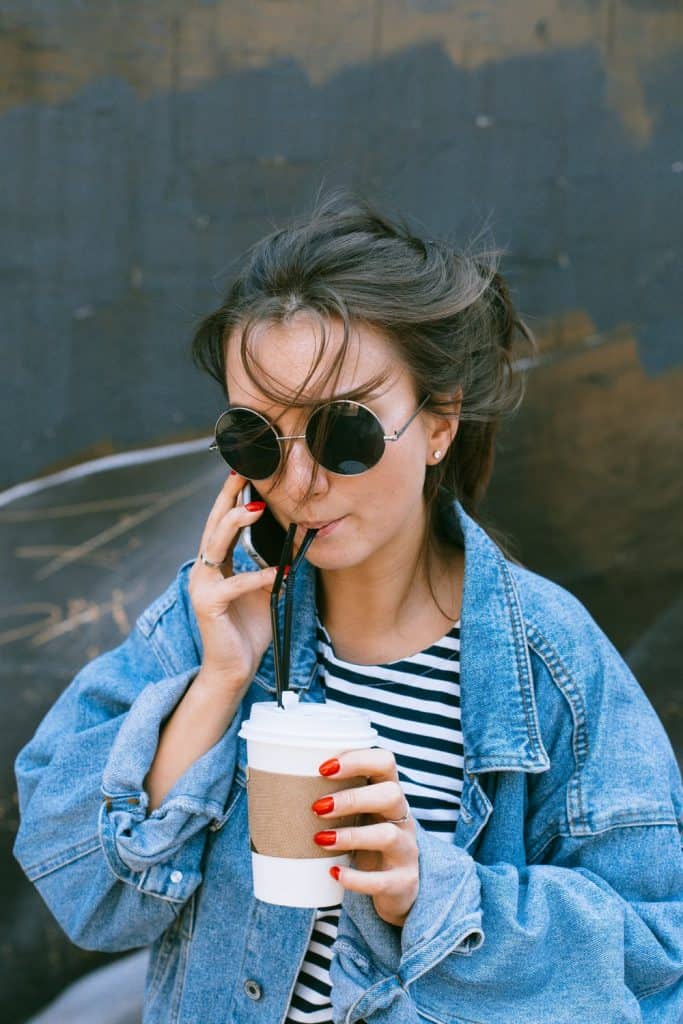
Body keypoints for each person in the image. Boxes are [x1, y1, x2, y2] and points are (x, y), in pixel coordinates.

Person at [14, 191, 683, 1024]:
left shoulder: (548, 663)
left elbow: (658, 953)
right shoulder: (208, 621)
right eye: (256, 438)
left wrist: (430, 892)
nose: (297, 483)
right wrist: (219, 682)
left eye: (344, 432)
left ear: (437, 422)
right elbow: (86, 894)